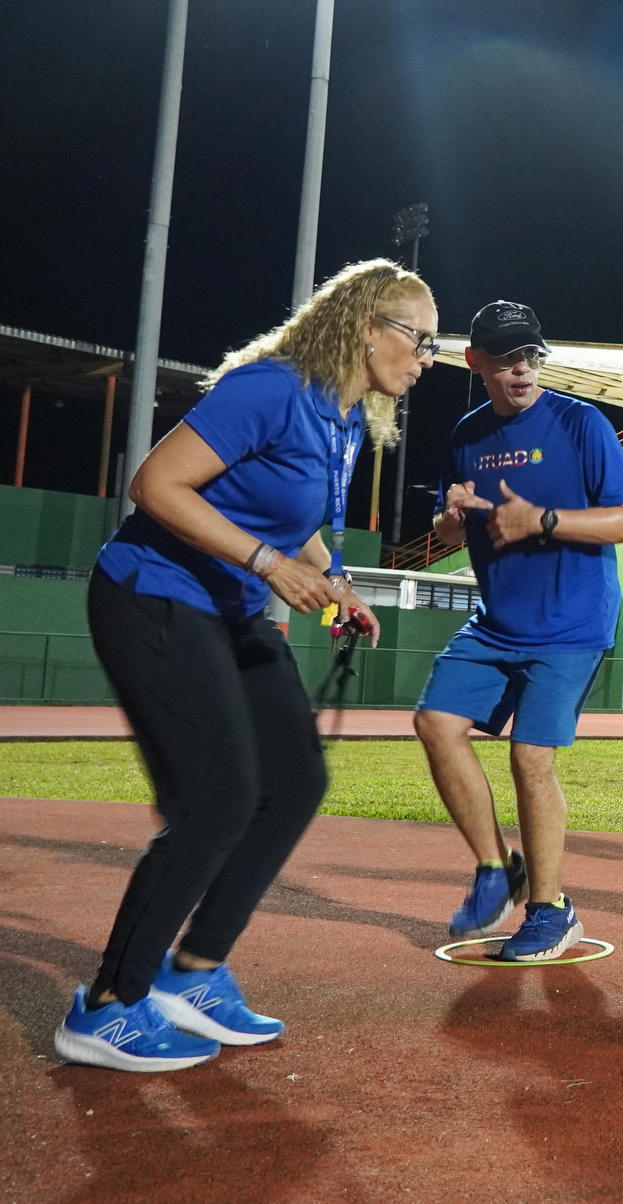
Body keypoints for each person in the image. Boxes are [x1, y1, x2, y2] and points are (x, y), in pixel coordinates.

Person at [57, 259, 432, 1071]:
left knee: (295, 782)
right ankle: (107, 1006)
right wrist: (270, 564)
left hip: (226, 606)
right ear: (367, 326)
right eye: (417, 336)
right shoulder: (272, 389)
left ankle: (193, 972)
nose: (425, 356)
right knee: (215, 802)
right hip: (152, 594)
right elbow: (154, 484)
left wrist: (333, 582)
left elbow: (288, 517)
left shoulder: (342, 418)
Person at [413, 301, 623, 961]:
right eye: (505, 357)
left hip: (572, 624)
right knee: (435, 722)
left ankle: (550, 909)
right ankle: (497, 868)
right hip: (497, 623)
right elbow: (450, 526)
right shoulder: (465, 435)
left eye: (529, 356)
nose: (520, 369)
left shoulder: (581, 423)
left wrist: (544, 521)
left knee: (529, 757)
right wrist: (452, 522)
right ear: (475, 362)